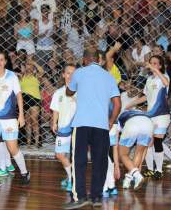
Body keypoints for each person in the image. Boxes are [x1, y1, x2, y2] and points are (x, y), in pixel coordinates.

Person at [63, 46, 121, 209]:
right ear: (98, 59)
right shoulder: (108, 77)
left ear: (85, 60)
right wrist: (110, 121)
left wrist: (68, 84)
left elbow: (69, 92)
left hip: (81, 124)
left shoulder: (79, 73)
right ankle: (96, 197)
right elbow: (117, 104)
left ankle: (79, 197)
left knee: (78, 161)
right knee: (100, 162)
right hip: (101, 126)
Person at [0, 51, 29, 188]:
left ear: (5, 62)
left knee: (12, 148)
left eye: (1, 59)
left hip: (9, 118)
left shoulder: (11, 76)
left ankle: (25, 172)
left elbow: (19, 96)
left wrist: (21, 115)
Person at [126, 55, 171, 180]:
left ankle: (159, 170)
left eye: (155, 63)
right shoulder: (149, 79)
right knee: (148, 142)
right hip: (150, 115)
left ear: (160, 66)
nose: (152, 65)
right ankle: (151, 169)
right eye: (151, 63)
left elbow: (166, 83)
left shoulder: (163, 77)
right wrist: (131, 104)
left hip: (162, 115)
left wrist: (155, 70)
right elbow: (145, 97)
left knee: (157, 141)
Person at [50, 64, 76, 192]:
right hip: (62, 129)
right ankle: (71, 177)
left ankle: (71, 179)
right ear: (63, 74)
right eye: (68, 73)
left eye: (73, 73)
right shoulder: (58, 92)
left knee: (73, 156)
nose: (70, 75)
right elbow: (55, 109)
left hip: (76, 129)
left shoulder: (80, 92)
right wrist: (54, 123)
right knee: (60, 154)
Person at [118, 110, 153, 190]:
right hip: (148, 124)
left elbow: (116, 136)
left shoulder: (121, 114)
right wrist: (139, 166)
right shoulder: (142, 112)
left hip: (132, 124)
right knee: (138, 153)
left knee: (123, 154)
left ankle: (138, 176)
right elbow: (144, 150)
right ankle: (127, 180)